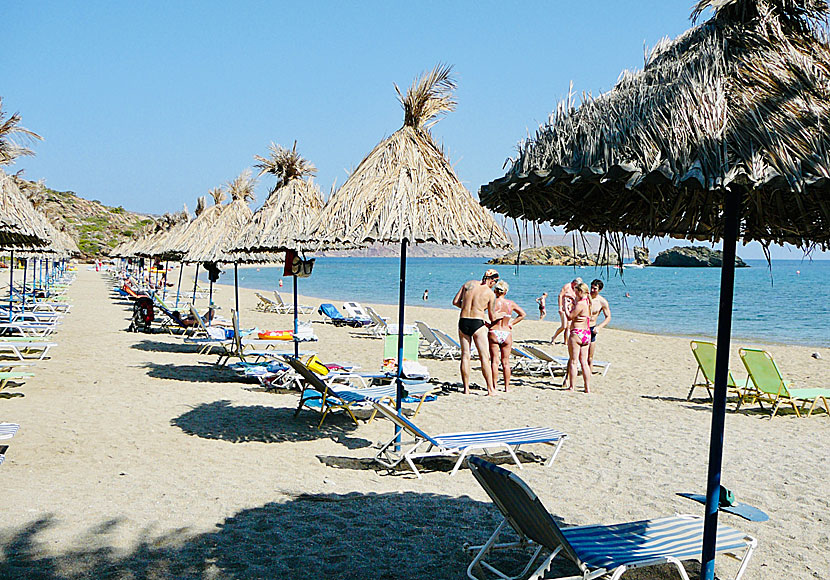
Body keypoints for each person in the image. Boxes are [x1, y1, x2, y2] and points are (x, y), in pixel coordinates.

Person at [452, 269, 499, 395]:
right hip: (477, 322)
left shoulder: (468, 284)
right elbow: (492, 316)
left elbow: (455, 302)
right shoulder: (489, 293)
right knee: (484, 357)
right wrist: (501, 315)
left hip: (463, 321)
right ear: (493, 280)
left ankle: (466, 389)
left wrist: (467, 307)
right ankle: (490, 389)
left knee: (465, 355)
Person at [488, 280, 526, 392]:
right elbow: (522, 314)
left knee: (494, 361)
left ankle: (494, 386)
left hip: (494, 331)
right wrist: (511, 323)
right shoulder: (510, 304)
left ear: (495, 291)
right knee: (506, 362)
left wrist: (487, 324)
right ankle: (506, 387)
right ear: (506, 292)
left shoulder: (492, 302)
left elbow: (483, 313)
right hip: (506, 332)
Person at [566, 282, 592, 392]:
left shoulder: (581, 303)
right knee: (584, 362)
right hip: (586, 333)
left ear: (580, 292)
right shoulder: (588, 303)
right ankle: (587, 387)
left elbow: (570, 317)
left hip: (577, 332)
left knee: (574, 361)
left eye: (576, 292)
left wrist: (566, 307)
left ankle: (572, 386)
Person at [588, 279, 611, 374]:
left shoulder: (602, 301)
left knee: (589, 358)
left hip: (592, 328)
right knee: (575, 356)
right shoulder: (584, 297)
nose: (592, 290)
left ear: (600, 290)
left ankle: (588, 379)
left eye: (595, 289)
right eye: (592, 288)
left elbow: (608, 317)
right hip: (581, 327)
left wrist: (599, 327)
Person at [550, 278, 582, 344]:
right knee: (564, 326)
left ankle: (566, 341)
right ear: (573, 283)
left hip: (571, 309)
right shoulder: (567, 286)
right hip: (564, 308)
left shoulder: (576, 289)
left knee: (568, 326)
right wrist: (560, 307)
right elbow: (560, 295)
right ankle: (554, 337)